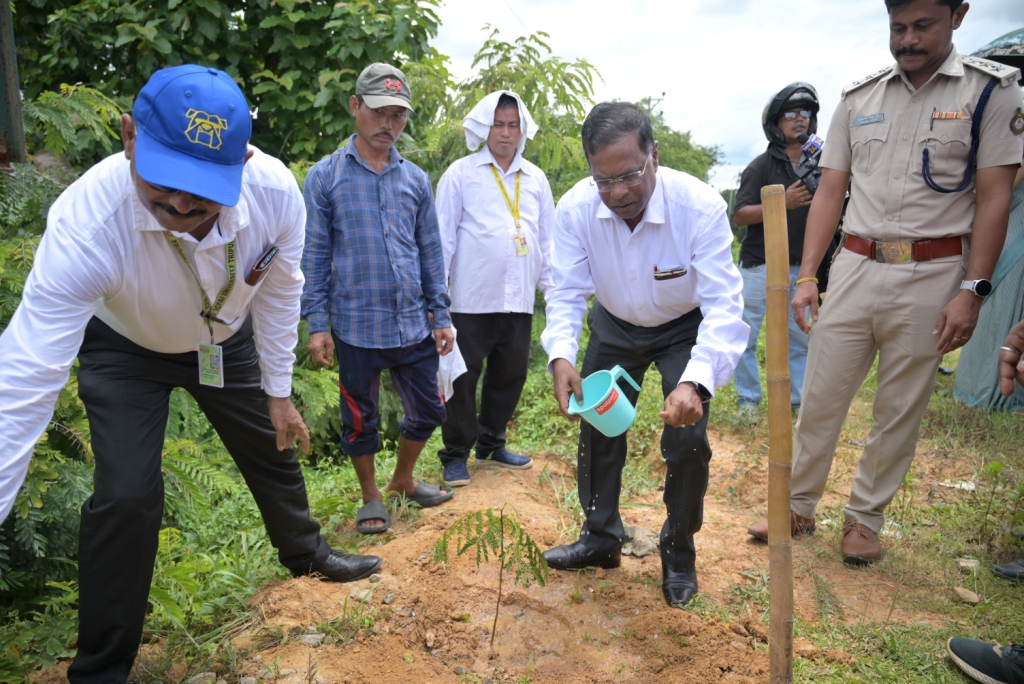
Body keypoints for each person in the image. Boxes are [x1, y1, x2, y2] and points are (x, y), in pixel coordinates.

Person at [0, 65, 382, 683]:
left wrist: (278, 391)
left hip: (223, 342)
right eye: (165, 181)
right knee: (126, 496)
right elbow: (20, 381)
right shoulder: (86, 226)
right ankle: (101, 668)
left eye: (202, 190)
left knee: (272, 443)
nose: (180, 204)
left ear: (244, 159)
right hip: (127, 350)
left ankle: (308, 556)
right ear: (128, 137)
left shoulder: (277, 193)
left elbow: (283, 293)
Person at [747, 0, 1024, 564]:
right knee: (821, 394)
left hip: (935, 272)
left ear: (959, 15)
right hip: (854, 266)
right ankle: (797, 505)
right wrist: (806, 276)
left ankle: (864, 520)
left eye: (923, 25)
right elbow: (830, 191)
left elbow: (996, 196)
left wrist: (973, 291)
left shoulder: (992, 93)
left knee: (899, 406)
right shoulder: (858, 98)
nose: (908, 39)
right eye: (898, 27)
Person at [540, 102, 746, 607]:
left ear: (654, 154)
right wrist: (561, 356)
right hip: (613, 323)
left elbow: (723, 303)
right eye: (603, 181)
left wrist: (695, 382)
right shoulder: (575, 210)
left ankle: (678, 551)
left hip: (683, 327)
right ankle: (601, 537)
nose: (618, 193)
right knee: (600, 426)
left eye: (629, 175)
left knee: (687, 438)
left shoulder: (698, 207)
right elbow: (565, 290)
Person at [302, 63, 455, 536]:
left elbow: (430, 250)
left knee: (430, 408)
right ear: (355, 108)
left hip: (412, 321)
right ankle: (371, 496)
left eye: (399, 116)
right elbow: (315, 254)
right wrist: (317, 322)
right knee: (358, 417)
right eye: (380, 112)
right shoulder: (325, 177)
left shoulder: (416, 180)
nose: (389, 124)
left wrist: (441, 312)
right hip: (355, 324)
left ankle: (403, 481)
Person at [434, 90, 555, 487]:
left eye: (512, 125)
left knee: (511, 374)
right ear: (484, 128)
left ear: (523, 130)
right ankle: (455, 455)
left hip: (517, 300)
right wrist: (438, 302)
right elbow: (442, 240)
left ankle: (492, 442)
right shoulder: (461, 173)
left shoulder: (535, 178)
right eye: (498, 125)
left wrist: (553, 294)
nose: (505, 133)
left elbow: (547, 241)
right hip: (469, 300)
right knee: (461, 379)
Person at [732, 83, 818, 425]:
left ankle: (798, 403)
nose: (800, 120)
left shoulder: (822, 163)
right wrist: (781, 202)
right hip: (759, 265)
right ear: (775, 122)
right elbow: (740, 214)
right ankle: (748, 403)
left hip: (802, 267)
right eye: (791, 114)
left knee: (800, 339)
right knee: (745, 335)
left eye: (805, 113)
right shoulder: (760, 166)